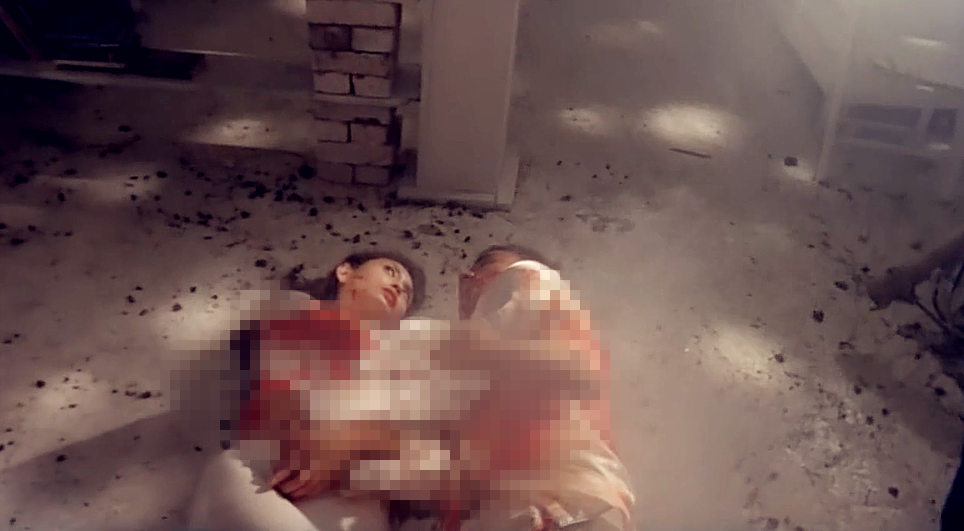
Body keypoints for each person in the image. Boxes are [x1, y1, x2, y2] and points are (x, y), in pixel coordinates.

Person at [188, 250, 426, 531]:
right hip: (261, 472)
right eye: (390, 271)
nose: (398, 286)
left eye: (406, 293)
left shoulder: (403, 362)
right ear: (345, 272)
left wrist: (344, 450)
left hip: (347, 496)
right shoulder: (297, 309)